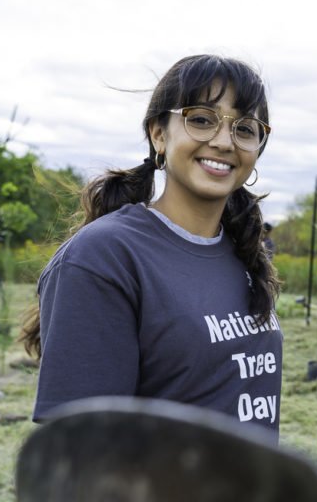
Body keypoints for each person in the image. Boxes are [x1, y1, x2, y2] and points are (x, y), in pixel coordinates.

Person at [20, 55, 283, 439]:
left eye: (246, 128)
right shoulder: (105, 257)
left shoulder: (241, 252)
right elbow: (82, 455)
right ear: (159, 133)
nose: (225, 141)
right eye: (201, 119)